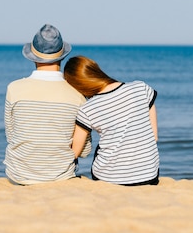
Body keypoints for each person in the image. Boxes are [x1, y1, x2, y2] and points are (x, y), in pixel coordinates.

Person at [4, 24, 91, 185]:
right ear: (62, 56)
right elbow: (84, 150)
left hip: (19, 174)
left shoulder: (14, 88)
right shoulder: (77, 94)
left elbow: (11, 136)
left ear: (32, 56)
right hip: (60, 177)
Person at [63, 56, 160, 186]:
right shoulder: (141, 88)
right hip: (149, 175)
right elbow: (154, 137)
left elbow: (75, 152)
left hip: (110, 178)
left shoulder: (87, 109)